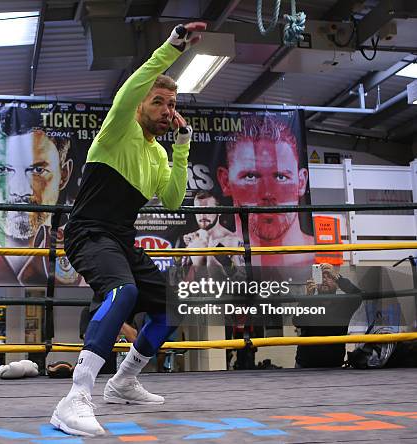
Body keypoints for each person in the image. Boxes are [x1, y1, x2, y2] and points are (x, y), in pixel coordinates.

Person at [49, 22, 206, 437]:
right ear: (140, 105)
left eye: (172, 105)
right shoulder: (118, 129)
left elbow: (173, 199)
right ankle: (75, 399)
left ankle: (122, 382)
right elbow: (133, 86)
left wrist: (183, 143)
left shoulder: (157, 155)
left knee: (175, 305)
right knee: (123, 292)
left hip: (120, 238)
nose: (167, 111)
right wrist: (174, 46)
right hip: (87, 232)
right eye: (158, 102)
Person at [0, 117, 75, 285]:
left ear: (64, 174)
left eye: (38, 170)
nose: (21, 191)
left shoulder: (75, 254)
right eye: (3, 169)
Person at [217, 115, 314, 269]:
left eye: (281, 177)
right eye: (251, 176)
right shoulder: (207, 256)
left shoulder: (322, 255)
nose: (267, 193)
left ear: (301, 182)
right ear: (225, 181)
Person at [294, 263, 362, 368]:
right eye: (321, 277)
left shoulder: (344, 303)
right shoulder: (310, 302)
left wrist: (339, 278)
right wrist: (308, 298)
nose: (325, 280)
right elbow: (297, 322)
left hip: (334, 364)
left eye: (329, 277)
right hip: (306, 364)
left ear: (336, 283)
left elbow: (360, 296)